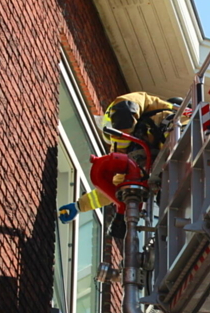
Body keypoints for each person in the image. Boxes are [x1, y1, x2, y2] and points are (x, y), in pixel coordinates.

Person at [58, 92, 178, 223]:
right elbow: (115, 186)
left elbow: (125, 109)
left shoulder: (160, 110)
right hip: (174, 165)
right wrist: (80, 205)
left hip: (177, 137)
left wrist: (120, 151)